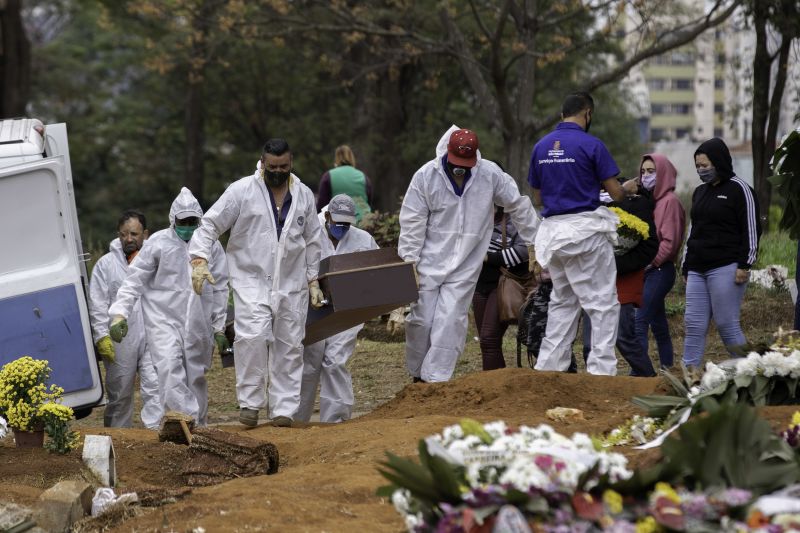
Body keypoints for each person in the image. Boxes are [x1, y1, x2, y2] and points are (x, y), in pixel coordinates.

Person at [189, 138, 324, 428]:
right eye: (272, 166)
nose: (278, 171)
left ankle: (283, 409)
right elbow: (210, 224)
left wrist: (313, 279)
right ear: (262, 163)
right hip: (250, 279)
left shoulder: (304, 195)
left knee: (289, 344)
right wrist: (199, 259)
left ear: (291, 164)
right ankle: (250, 403)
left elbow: (313, 239)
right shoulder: (241, 191)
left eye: (283, 166)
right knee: (252, 338)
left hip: (291, 281)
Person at [399, 126, 539, 383]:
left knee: (449, 321)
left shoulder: (490, 175)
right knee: (421, 321)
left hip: (466, 263)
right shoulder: (426, 177)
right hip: (429, 261)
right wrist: (409, 262)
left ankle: (435, 380)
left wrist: (534, 243)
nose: (460, 169)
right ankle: (417, 376)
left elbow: (518, 204)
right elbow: (411, 221)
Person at [108, 188, 229, 425]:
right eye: (182, 221)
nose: (187, 226)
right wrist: (119, 314)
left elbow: (221, 286)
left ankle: (199, 425)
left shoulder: (210, 245)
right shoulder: (158, 243)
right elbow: (134, 279)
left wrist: (219, 327)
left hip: (198, 321)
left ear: (200, 220)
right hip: (163, 320)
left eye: (192, 221)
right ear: (173, 220)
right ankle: (184, 423)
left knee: (196, 377)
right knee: (169, 367)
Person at [526, 91, 625, 375]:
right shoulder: (592, 145)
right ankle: (602, 370)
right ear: (588, 113)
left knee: (562, 302)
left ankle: (549, 368)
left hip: (555, 236)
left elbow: (538, 198)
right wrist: (626, 189)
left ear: (561, 115)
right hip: (587, 233)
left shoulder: (541, 147)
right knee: (602, 304)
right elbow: (615, 193)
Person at [295, 194, 379, 423]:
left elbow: (378, 271)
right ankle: (295, 419)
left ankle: (336, 420)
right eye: (337, 222)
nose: (341, 228)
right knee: (309, 364)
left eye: (346, 224)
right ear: (328, 216)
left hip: (347, 311)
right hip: (313, 308)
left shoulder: (363, 240)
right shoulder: (311, 235)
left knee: (335, 360)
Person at [681, 137, 761, 370]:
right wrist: (686, 265)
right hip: (697, 269)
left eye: (705, 165)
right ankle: (689, 376)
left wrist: (745, 264)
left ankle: (750, 373)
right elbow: (693, 230)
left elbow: (752, 228)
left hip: (726, 267)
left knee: (726, 323)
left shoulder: (740, 189)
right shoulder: (699, 192)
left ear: (719, 161)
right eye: (698, 166)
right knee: (694, 325)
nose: (701, 170)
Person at [88, 210, 162, 429]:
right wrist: (101, 336)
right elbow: (98, 304)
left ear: (145, 234)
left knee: (155, 388)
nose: (128, 239)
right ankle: (118, 439)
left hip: (153, 333)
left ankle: (154, 436)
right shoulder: (106, 265)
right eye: (123, 234)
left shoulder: (156, 260)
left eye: (133, 233)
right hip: (120, 339)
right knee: (119, 393)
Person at [578, 179, 659, 376]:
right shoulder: (586, 200)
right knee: (590, 343)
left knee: (623, 337)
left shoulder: (637, 203)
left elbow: (648, 245)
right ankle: (597, 388)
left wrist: (614, 265)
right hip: (594, 282)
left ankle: (648, 378)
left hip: (623, 279)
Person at [634, 154, 686, 370]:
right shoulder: (649, 201)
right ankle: (667, 369)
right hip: (648, 270)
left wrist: (650, 262)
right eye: (643, 172)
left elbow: (670, 242)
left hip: (660, 270)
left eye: (651, 171)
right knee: (658, 324)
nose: (646, 176)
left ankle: (639, 371)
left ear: (663, 173)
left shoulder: (670, 202)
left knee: (639, 321)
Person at [472, 206, 530, 370]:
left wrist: (488, 257)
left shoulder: (514, 220)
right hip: (479, 285)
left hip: (502, 285)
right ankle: (492, 385)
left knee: (489, 338)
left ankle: (496, 387)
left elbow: (523, 251)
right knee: (486, 342)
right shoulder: (472, 220)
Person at [316, 145, 373, 225]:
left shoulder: (328, 176)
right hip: (365, 223)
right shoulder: (363, 177)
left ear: (336, 159)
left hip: (340, 226)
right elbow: (369, 203)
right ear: (352, 158)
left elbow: (321, 206)